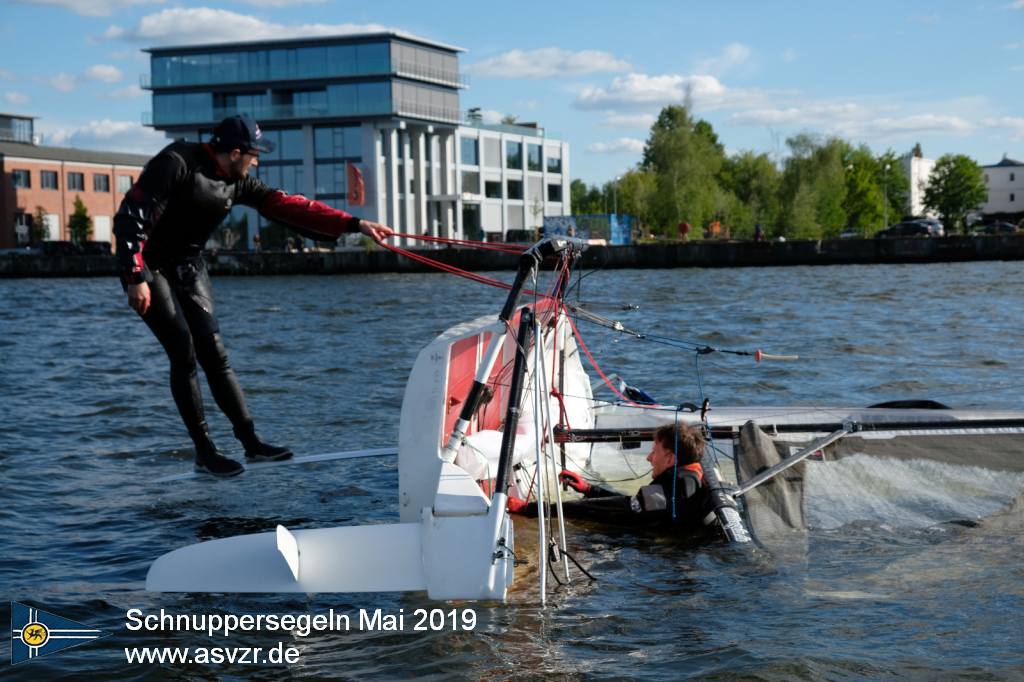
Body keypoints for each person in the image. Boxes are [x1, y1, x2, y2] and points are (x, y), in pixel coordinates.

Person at [113, 114, 394, 477]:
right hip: (147, 266)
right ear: (234, 152)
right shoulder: (176, 163)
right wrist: (134, 275)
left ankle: (252, 444)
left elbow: (289, 205)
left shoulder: (238, 181)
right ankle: (204, 451)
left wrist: (354, 225)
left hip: (187, 265)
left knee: (214, 352)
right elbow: (129, 217)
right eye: (253, 154)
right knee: (182, 350)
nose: (257, 161)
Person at [528, 423, 710, 530]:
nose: (648, 458)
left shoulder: (671, 487)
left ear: (670, 458)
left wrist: (534, 510)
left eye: (654, 452)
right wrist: (590, 490)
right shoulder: (691, 478)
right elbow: (630, 503)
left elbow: (611, 509)